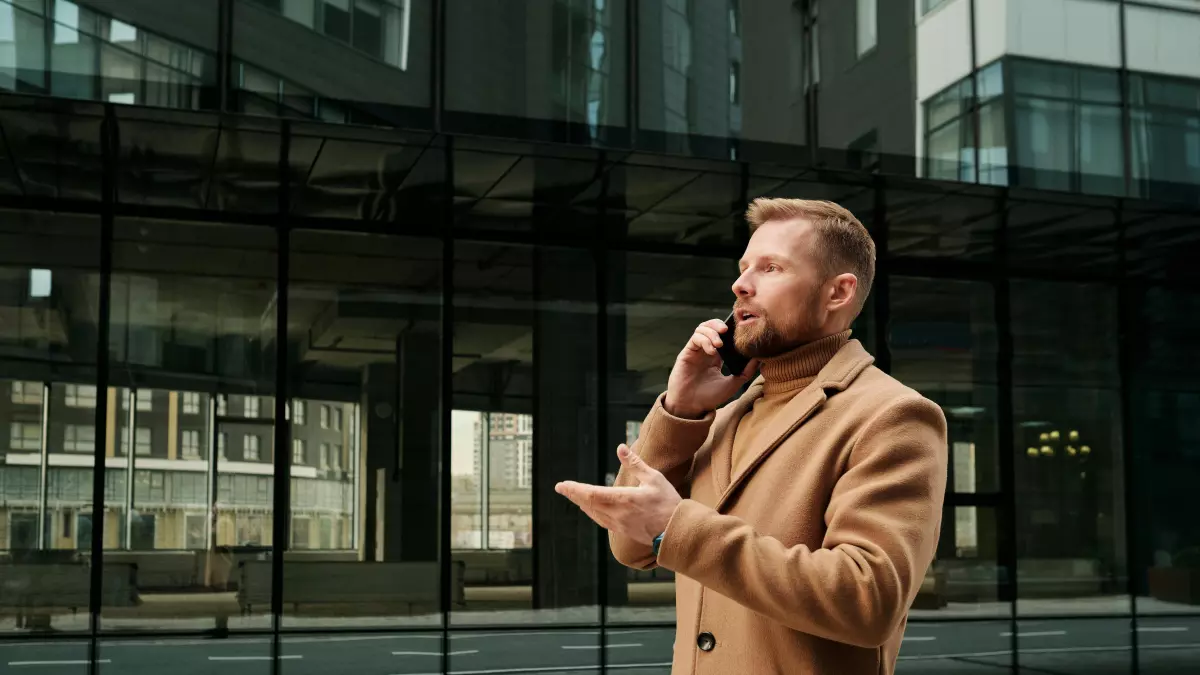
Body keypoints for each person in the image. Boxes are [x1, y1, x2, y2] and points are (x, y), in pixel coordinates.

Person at [555, 198, 948, 675]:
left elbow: (868, 601)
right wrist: (681, 408)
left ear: (838, 292)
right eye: (744, 268)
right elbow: (631, 548)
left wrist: (678, 526)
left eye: (771, 268)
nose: (740, 284)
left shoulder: (893, 415)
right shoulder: (725, 415)